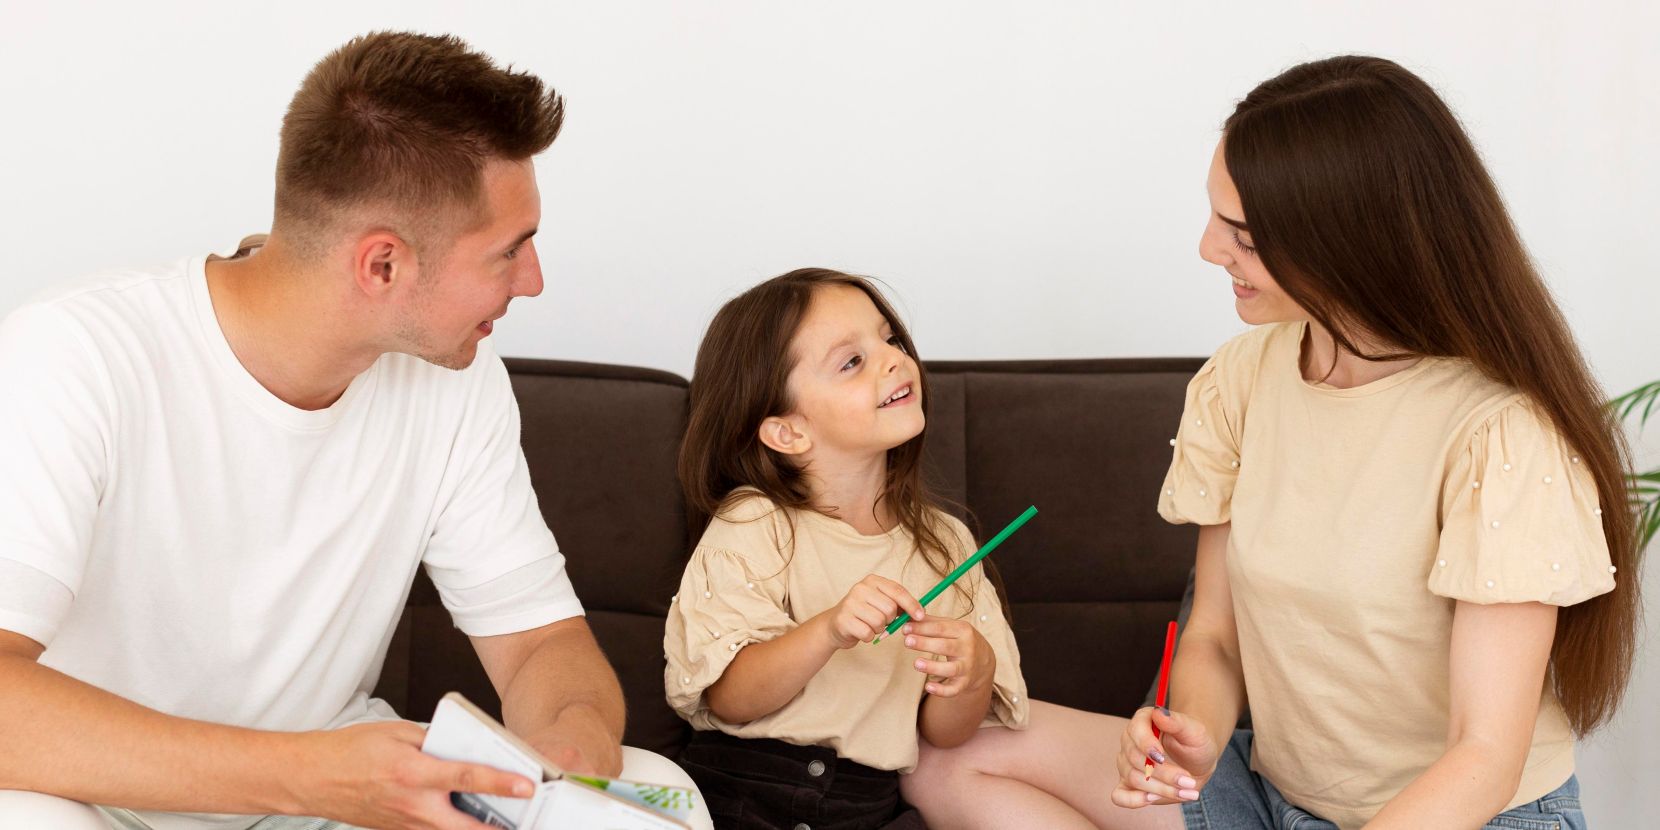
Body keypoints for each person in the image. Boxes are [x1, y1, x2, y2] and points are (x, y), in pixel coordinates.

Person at [0, 31, 707, 830]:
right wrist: (307, 778)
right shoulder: (73, 354)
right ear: (382, 266)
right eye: (509, 251)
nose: (534, 281)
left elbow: (542, 644)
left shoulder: (457, 383)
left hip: (338, 799)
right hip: (98, 795)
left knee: (654, 788)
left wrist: (565, 751)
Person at [1108, 56, 1637, 829]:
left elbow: (1483, 757)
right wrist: (1193, 737)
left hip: (1469, 817)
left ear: (1348, 244)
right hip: (1278, 797)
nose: (1206, 249)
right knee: (973, 760)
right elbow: (1215, 634)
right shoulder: (1242, 380)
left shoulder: (1501, 437)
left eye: (1244, 236)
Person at [664, 268, 1147, 830]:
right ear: (788, 432)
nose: (894, 360)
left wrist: (971, 673)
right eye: (852, 361)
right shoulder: (754, 522)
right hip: (745, 792)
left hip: (868, 805)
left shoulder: (945, 544)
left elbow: (946, 735)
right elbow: (729, 698)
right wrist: (827, 631)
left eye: (889, 339)